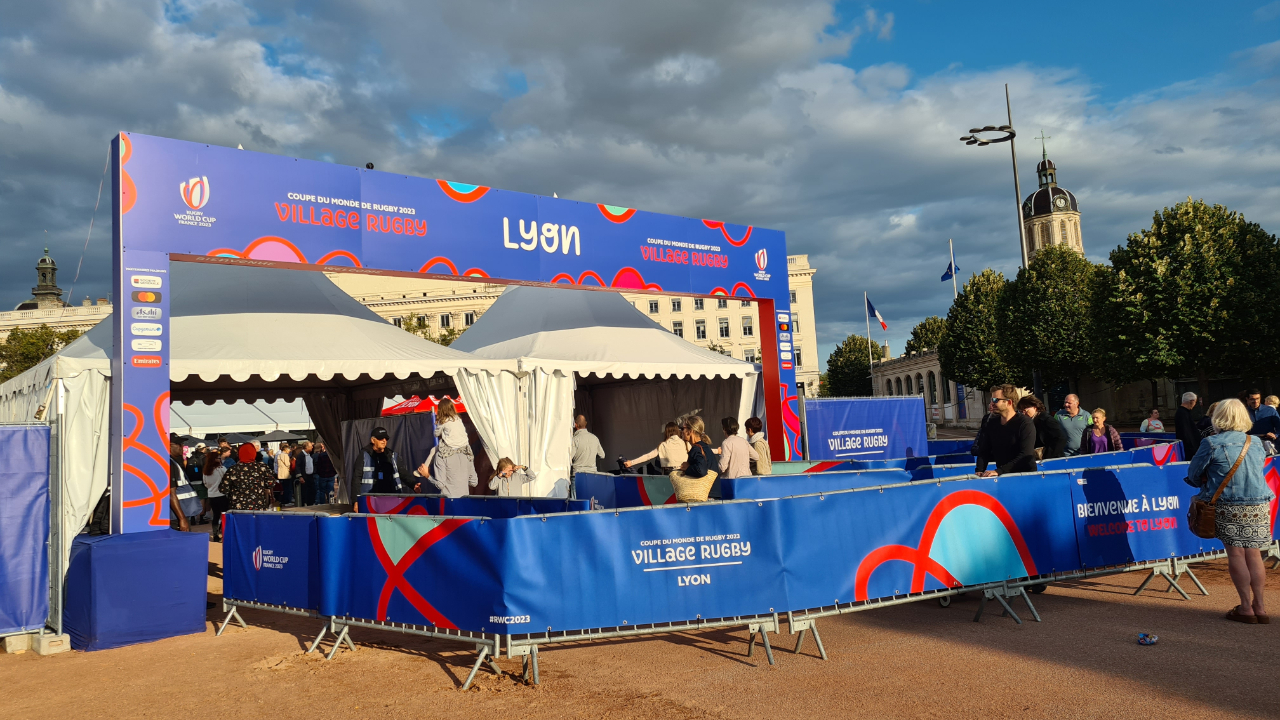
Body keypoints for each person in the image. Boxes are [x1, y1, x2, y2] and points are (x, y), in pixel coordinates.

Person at [1185, 399, 1273, 623]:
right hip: (1259, 504)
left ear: (1218, 418)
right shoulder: (1255, 442)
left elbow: (1193, 475)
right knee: (1254, 553)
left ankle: (1246, 607)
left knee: (1236, 554)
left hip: (1228, 503)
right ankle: (1260, 607)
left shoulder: (1211, 443)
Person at [975, 385, 1037, 476]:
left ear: (1009, 402)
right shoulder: (992, 423)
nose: (992, 403)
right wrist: (979, 470)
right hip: (1003, 476)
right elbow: (984, 450)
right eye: (991, 400)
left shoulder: (1025, 423)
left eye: (995, 400)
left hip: (1024, 475)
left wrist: (999, 471)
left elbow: (1025, 454)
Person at [424, 398, 478, 497]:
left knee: (433, 450)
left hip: (449, 448)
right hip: (464, 447)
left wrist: (428, 476)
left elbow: (436, 434)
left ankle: (424, 468)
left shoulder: (443, 421)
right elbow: (474, 482)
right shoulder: (458, 419)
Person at [669, 416, 718, 501]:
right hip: (712, 495)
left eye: (682, 428)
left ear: (690, 431)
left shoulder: (696, 449)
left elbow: (701, 470)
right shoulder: (705, 447)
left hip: (703, 497)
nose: (681, 431)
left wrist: (687, 468)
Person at [221, 443, 276, 511]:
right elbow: (271, 483)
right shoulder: (262, 468)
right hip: (258, 506)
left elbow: (223, 489)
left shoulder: (233, 469)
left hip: (238, 507)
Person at [623, 422, 688, 474]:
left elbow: (648, 456)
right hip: (684, 473)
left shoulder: (663, 445)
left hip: (670, 474)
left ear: (666, 432)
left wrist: (631, 462)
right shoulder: (686, 443)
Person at [1016, 396, 1065, 460]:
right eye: (1021, 412)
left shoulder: (1047, 420)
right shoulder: (1028, 422)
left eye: (1025, 410)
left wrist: (1046, 454)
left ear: (1035, 407)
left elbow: (1060, 438)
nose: (1023, 413)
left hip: (1051, 460)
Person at [360, 427, 403, 494]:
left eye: (386, 438)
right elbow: (356, 478)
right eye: (380, 438)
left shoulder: (392, 455)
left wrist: (413, 484)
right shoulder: (364, 455)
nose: (384, 441)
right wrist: (355, 499)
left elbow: (403, 473)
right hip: (371, 498)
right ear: (373, 440)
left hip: (390, 496)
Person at [203, 449, 228, 542]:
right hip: (222, 494)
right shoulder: (221, 469)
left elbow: (205, 483)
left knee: (216, 515)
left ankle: (215, 534)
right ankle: (225, 532)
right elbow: (227, 479)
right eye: (218, 458)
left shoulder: (206, 471)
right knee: (225, 514)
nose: (219, 459)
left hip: (211, 495)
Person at [168, 442, 192, 531]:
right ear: (170, 446)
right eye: (179, 445)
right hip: (176, 515)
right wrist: (182, 519)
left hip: (181, 510)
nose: (182, 447)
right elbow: (171, 493)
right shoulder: (169, 463)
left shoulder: (173, 461)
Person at [1174, 392, 1200, 459]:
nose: (1195, 404)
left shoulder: (1182, 412)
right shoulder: (1183, 413)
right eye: (1195, 402)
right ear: (1192, 401)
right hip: (1189, 449)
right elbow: (1186, 432)